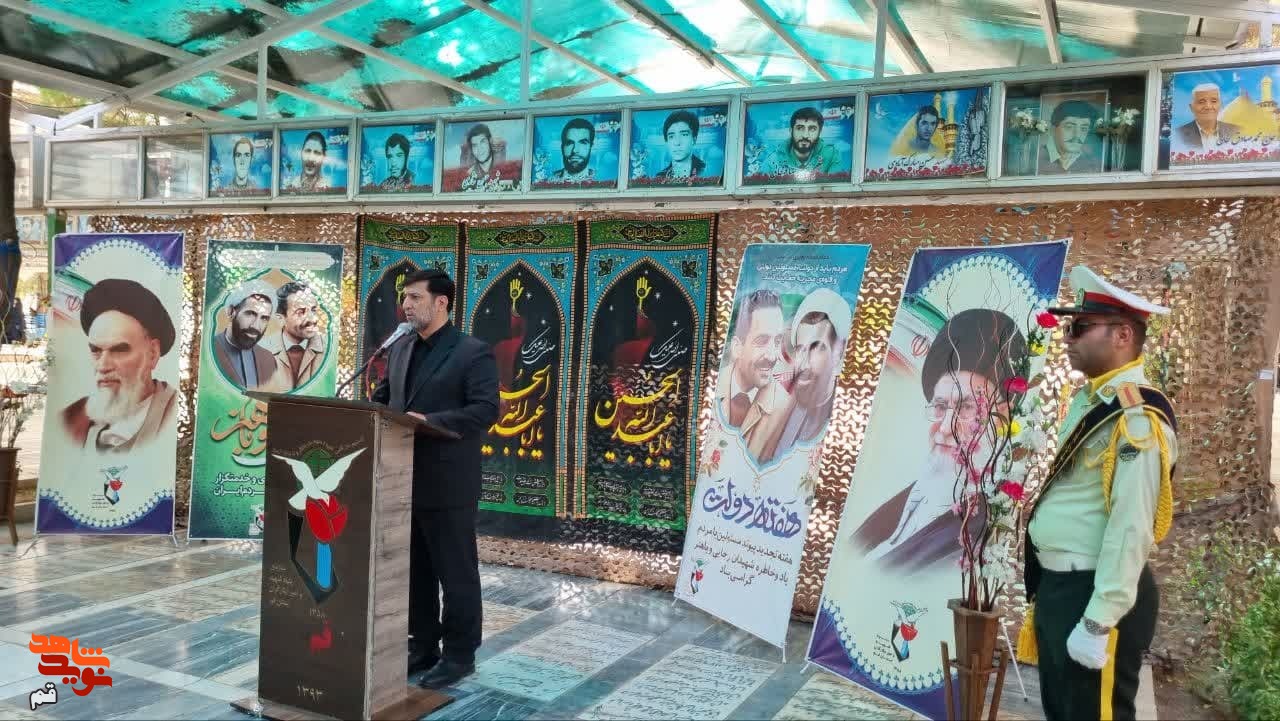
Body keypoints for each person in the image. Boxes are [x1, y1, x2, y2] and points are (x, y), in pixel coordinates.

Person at [1019, 266, 1176, 721]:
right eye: (1069, 327)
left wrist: (1097, 620)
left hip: (1093, 594)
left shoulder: (1136, 417)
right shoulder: (1093, 401)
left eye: (1081, 327)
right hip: (1061, 588)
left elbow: (1132, 525)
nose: (1068, 337)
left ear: (1123, 335)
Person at [370, 269, 499, 689]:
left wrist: (430, 420)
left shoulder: (472, 352)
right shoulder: (402, 347)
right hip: (401, 478)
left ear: (441, 302)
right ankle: (422, 645)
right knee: (415, 572)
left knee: (455, 574)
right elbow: (388, 398)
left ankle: (460, 655)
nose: (406, 305)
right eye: (404, 298)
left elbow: (486, 410)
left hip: (448, 482)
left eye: (415, 297)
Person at [850, 307, 1026, 575]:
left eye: (966, 408)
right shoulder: (916, 492)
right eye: (941, 406)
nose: (944, 428)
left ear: (1002, 417)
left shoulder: (979, 529)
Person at [60, 278, 178, 453]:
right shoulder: (71, 419)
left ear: (152, 353)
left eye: (119, 350)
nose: (103, 366)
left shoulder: (174, 414)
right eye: (96, 351)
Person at [773, 289, 851, 466]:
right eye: (800, 349)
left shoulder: (844, 417)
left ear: (838, 353)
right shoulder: (782, 404)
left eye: (817, 348)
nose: (805, 364)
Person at [715, 289, 791, 465]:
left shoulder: (784, 410)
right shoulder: (709, 387)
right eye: (762, 341)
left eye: (777, 341)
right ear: (737, 348)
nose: (772, 356)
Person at [213, 279, 286, 391]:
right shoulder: (208, 351)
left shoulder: (268, 359)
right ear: (231, 312)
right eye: (250, 314)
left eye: (264, 318)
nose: (256, 326)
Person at [260, 280, 326, 390]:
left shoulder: (329, 350)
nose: (312, 319)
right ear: (281, 319)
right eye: (301, 312)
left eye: (313, 310)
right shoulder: (260, 351)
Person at [766, 107, 839, 177]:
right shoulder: (774, 160)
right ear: (791, 130)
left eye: (812, 129)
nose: (805, 135)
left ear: (820, 132)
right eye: (800, 128)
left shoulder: (831, 155)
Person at [1039, 100, 1103, 174]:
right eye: (1069, 127)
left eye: (1083, 129)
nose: (1077, 135)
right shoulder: (1036, 158)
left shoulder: (1093, 164)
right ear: (1053, 129)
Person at [1175, 82, 1242, 150]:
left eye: (1213, 101)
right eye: (1201, 102)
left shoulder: (1236, 131)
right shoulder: (1178, 135)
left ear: (1221, 105)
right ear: (1191, 107)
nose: (1208, 107)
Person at [655, 110, 706, 180]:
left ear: (694, 139)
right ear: (667, 142)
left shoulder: (706, 171)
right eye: (671, 136)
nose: (677, 143)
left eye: (684, 135)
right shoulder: (660, 177)